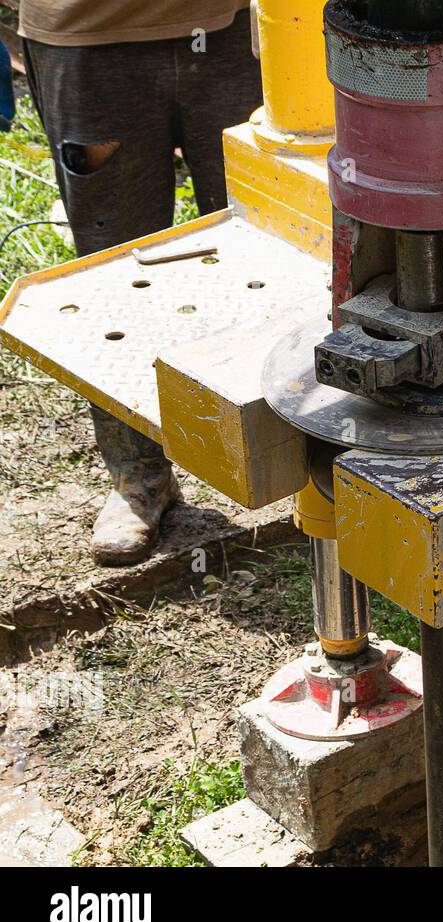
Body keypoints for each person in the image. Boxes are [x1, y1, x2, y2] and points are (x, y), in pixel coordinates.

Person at [19, 2, 262, 565]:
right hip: (87, 35)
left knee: (268, 229)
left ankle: (298, 450)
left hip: (232, 25)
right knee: (112, 263)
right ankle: (139, 474)